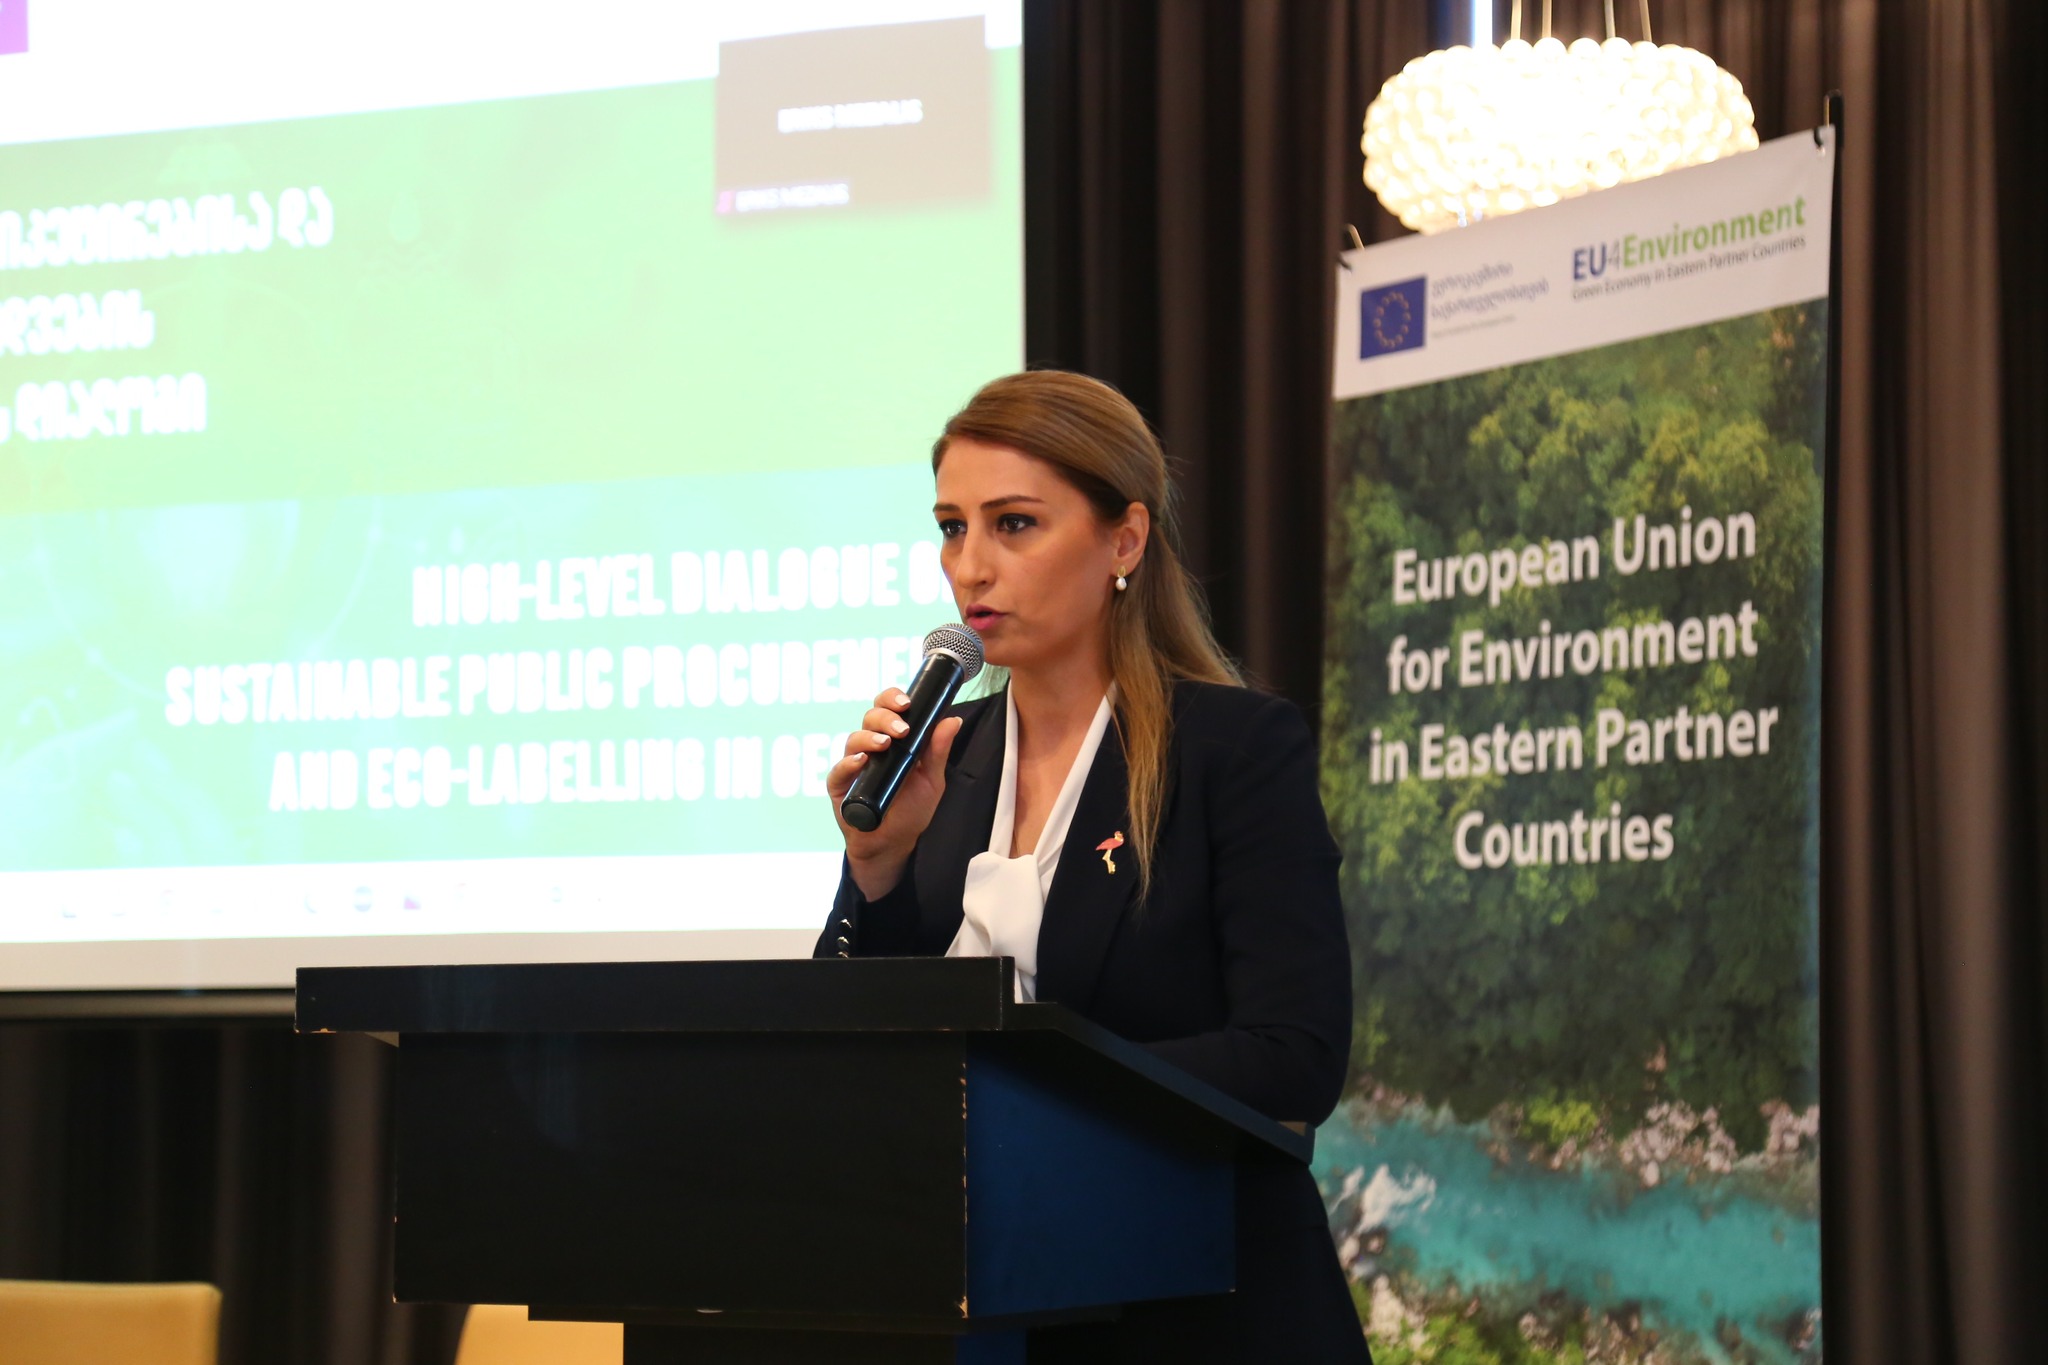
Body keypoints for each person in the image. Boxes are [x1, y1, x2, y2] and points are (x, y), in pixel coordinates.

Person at [815, 370, 1370, 1363]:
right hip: (969, 1307)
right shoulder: (941, 758)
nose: (971, 567)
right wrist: (877, 871)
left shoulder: (1232, 750)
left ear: (1125, 540)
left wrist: (1021, 1093)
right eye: (951, 528)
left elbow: (1295, 1053)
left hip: (1194, 1308)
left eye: (1013, 524)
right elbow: (845, 1056)